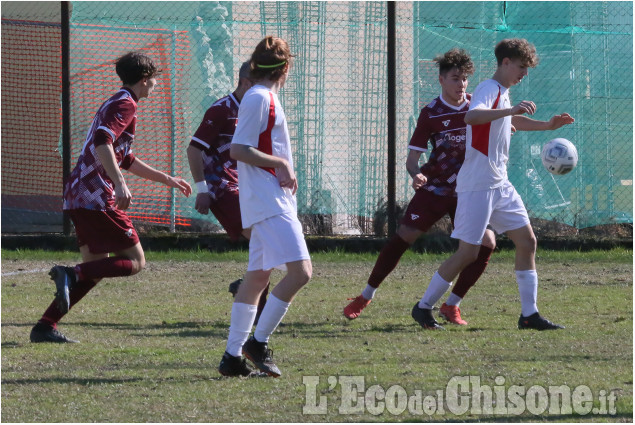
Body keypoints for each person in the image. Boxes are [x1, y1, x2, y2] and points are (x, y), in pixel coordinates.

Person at [412, 38, 574, 331]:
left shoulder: (503, 92)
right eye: (521, 67)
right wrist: (510, 112)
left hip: (500, 184)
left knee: (527, 242)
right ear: (506, 62)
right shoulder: (488, 88)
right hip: (477, 186)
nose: (524, 74)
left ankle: (529, 315)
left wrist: (546, 126)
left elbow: (509, 122)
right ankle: (423, 307)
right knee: (468, 253)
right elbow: (472, 116)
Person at [30, 52, 192, 343]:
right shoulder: (125, 103)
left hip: (79, 191)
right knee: (135, 261)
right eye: (154, 79)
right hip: (95, 194)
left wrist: (167, 179)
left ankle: (45, 326)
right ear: (145, 80)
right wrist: (118, 184)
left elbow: (124, 157)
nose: (155, 85)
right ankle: (71, 273)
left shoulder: (118, 101)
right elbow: (102, 142)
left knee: (95, 267)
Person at [343, 48, 496, 328]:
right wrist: (416, 175)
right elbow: (413, 159)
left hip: (468, 191)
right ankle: (365, 296)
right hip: (435, 189)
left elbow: (493, 131)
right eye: (454, 78)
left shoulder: (476, 107)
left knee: (487, 243)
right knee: (404, 237)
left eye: (464, 79)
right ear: (440, 80)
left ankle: (452, 305)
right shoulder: (431, 113)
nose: (461, 85)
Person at [217, 36, 312, 378]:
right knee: (301, 272)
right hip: (269, 201)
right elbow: (238, 149)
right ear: (285, 68)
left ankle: (231, 357)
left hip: (266, 200)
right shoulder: (260, 98)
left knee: (257, 278)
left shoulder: (263, 96)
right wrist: (282, 165)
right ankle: (257, 342)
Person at [186, 61, 269, 323]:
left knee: (264, 243)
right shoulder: (221, 110)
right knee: (263, 242)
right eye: (259, 86)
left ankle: (249, 295)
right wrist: (202, 189)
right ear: (245, 83)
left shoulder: (254, 109)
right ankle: (256, 307)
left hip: (244, 186)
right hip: (222, 188)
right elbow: (194, 149)